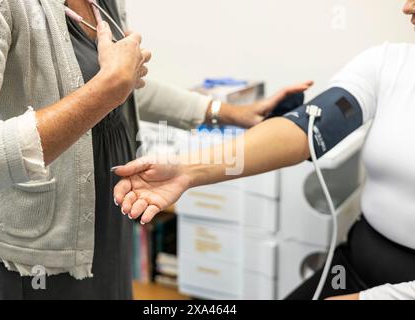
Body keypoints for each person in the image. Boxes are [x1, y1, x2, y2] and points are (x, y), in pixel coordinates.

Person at [0, 0, 310, 300]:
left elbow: (126, 85)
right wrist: (107, 88)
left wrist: (228, 113)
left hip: (109, 224)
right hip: (33, 254)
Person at [113, 0, 415, 301]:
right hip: (358, 259)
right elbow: (304, 130)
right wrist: (186, 170)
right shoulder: (389, 62)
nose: (406, 6)